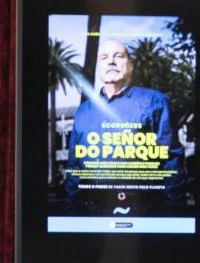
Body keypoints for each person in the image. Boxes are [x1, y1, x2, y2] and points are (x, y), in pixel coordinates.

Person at [63, 39, 188, 215]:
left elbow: (171, 162)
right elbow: (74, 168)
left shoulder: (154, 101)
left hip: (144, 211)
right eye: (104, 57)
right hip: (94, 212)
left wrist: (175, 213)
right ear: (99, 66)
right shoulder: (83, 111)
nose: (111, 61)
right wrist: (70, 213)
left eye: (118, 56)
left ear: (130, 65)